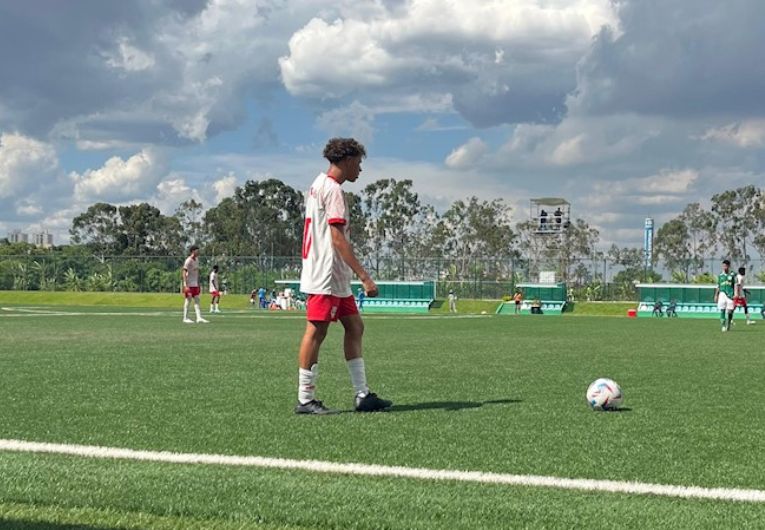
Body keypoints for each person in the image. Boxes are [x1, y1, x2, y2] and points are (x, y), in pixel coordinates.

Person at [295, 137, 392, 415]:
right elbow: (337, 238)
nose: (360, 170)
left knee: (355, 327)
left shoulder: (317, 185)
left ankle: (362, 395)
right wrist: (364, 276)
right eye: (359, 163)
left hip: (333, 276)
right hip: (325, 273)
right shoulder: (333, 190)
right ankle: (305, 399)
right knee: (316, 330)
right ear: (348, 160)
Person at [182, 245, 208, 324]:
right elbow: (184, 272)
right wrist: (185, 285)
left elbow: (197, 272)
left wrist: (198, 283)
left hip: (195, 284)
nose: (198, 252)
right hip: (189, 284)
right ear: (193, 251)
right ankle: (185, 318)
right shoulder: (188, 260)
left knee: (197, 300)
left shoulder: (197, 260)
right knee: (188, 300)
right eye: (197, 250)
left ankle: (199, 318)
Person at [714, 259, 735, 332]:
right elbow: (718, 286)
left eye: (726, 266)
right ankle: (723, 325)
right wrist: (716, 295)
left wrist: (735, 294)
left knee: (730, 311)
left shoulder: (732, 275)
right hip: (722, 294)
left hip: (730, 294)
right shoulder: (720, 275)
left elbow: (735, 285)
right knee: (722, 309)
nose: (724, 267)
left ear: (729, 266)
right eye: (723, 266)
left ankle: (728, 323)